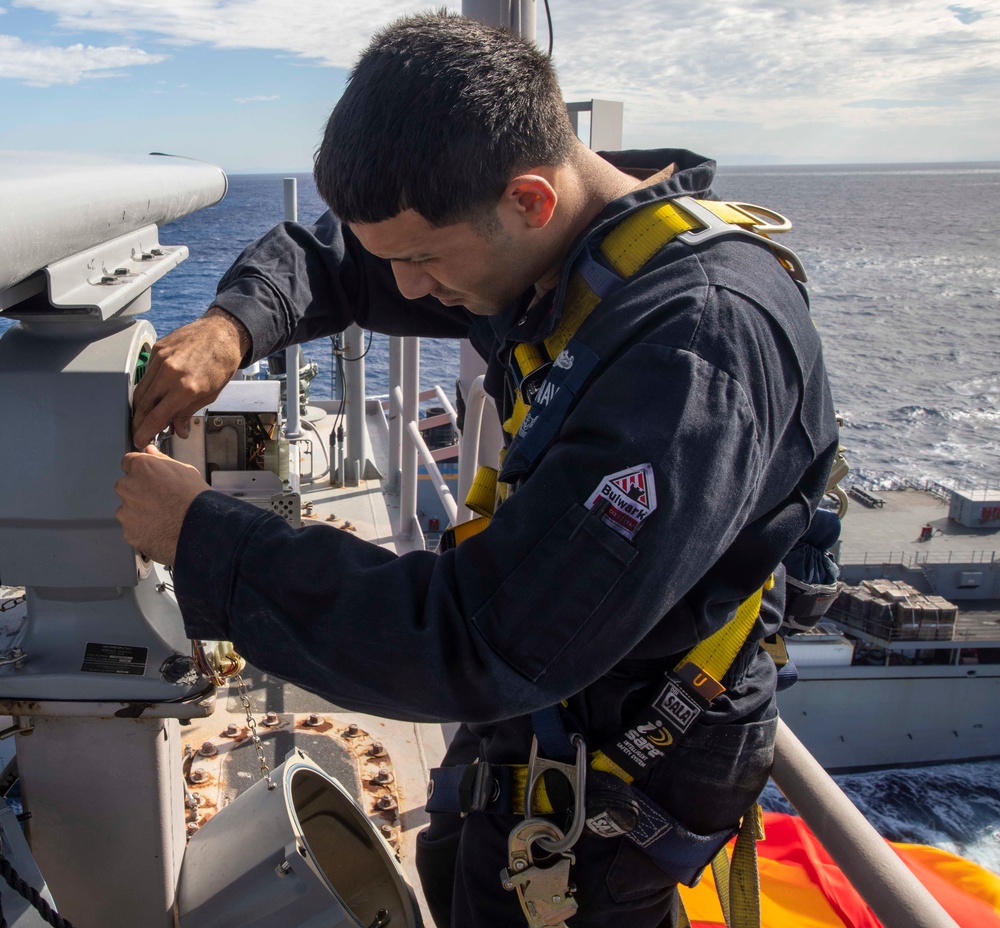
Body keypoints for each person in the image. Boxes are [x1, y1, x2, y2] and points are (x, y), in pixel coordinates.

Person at [116, 12, 839, 928]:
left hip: (635, 746)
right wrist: (234, 326)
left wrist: (203, 536)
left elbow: (487, 639)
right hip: (557, 700)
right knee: (458, 858)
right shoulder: (572, 254)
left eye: (422, 260)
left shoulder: (692, 346)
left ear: (530, 199)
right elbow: (340, 261)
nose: (408, 290)